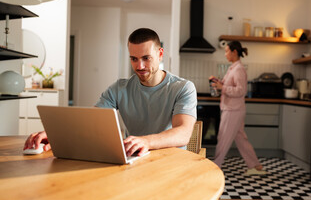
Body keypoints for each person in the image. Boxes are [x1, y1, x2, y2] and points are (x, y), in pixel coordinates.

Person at [24, 28, 197, 157]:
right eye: (134, 59)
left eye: (146, 58)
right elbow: (93, 120)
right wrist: (56, 134)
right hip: (135, 157)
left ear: (160, 54)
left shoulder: (183, 88)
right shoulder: (119, 88)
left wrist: (146, 141)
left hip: (170, 161)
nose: (140, 66)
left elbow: (183, 132)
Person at [209, 41, 266, 175]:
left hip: (233, 110)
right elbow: (230, 85)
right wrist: (219, 82)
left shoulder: (239, 69)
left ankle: (214, 169)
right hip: (233, 108)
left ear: (235, 52)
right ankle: (255, 166)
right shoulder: (233, 68)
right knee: (241, 139)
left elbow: (241, 91)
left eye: (227, 51)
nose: (225, 54)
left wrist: (222, 87)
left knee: (223, 138)